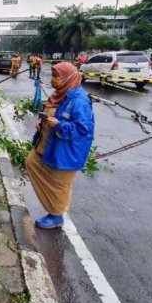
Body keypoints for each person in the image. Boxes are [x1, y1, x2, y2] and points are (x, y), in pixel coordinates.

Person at [25, 62, 95, 229]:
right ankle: (53, 204)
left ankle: (56, 216)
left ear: (68, 78)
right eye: (53, 75)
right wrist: (41, 123)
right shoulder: (59, 94)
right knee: (31, 162)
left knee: (59, 184)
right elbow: (50, 112)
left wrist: (59, 125)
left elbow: (82, 129)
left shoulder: (79, 101)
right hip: (47, 143)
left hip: (65, 150)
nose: (53, 80)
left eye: (57, 76)